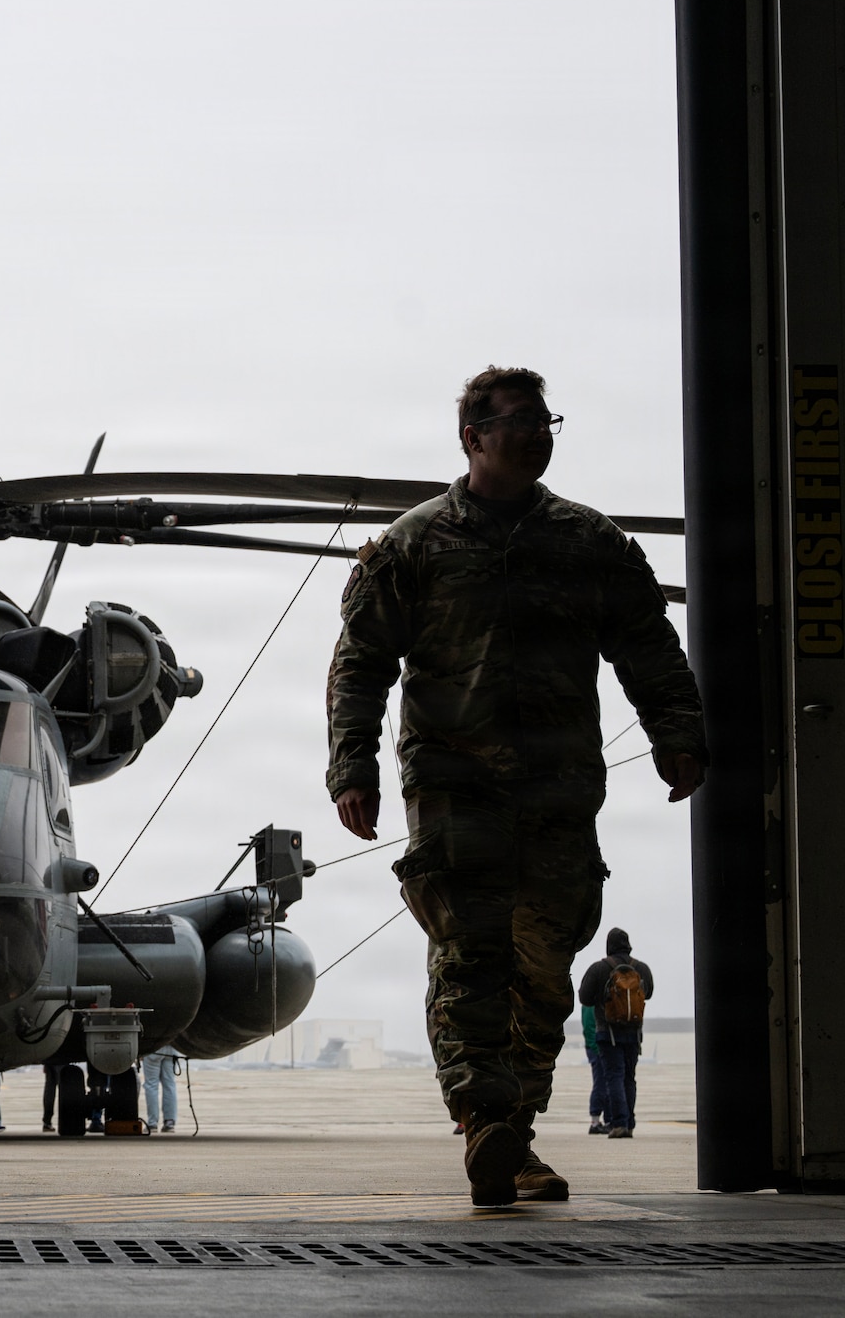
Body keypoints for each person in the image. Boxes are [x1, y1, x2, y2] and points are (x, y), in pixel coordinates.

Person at [326, 367, 706, 1207]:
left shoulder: (588, 542)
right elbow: (360, 664)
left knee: (546, 961)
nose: (538, 435)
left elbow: (648, 644)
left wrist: (677, 732)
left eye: (547, 422)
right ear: (473, 436)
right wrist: (350, 766)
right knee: (469, 953)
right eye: (521, 422)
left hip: (560, 789)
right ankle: (487, 1122)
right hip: (455, 789)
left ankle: (515, 1129)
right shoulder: (413, 546)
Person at [578, 927, 654, 1138]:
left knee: (614, 1077)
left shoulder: (599, 968)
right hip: (634, 1032)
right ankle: (629, 1123)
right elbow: (648, 993)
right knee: (629, 1078)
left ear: (608, 946)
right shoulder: (641, 968)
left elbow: (584, 998)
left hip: (607, 1032)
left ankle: (619, 1123)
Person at [583, 1002, 608, 1134]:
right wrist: (596, 1048)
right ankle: (595, 1121)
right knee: (600, 1084)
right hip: (597, 1048)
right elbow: (589, 1027)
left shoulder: (590, 1002)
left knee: (603, 1084)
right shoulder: (591, 1004)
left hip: (597, 1047)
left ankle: (601, 1119)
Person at [142, 1047, 180, 1133]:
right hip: (172, 1047)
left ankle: (152, 1123)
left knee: (151, 1085)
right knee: (170, 1085)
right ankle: (169, 1122)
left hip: (153, 1047)